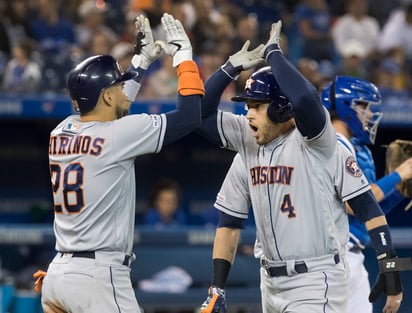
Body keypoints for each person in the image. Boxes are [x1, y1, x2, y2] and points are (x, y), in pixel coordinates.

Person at [196, 20, 403, 313]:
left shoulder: (318, 141)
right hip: (269, 280)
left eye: (257, 105)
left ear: (282, 108)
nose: (248, 113)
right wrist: (228, 69)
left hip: (316, 278)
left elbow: (368, 206)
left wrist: (274, 54)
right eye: (247, 105)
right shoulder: (248, 141)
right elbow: (199, 114)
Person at [34, 13, 205, 313]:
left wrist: (139, 64)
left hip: (59, 274)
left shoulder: (59, 132)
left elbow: (113, 110)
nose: (122, 89)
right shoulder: (118, 134)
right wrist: (185, 60)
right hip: (98, 277)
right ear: (107, 97)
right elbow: (190, 116)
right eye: (117, 86)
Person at [321, 75, 412, 313]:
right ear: (344, 106)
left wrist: (401, 192)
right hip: (332, 258)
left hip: (352, 257)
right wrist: (398, 175)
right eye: (364, 107)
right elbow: (354, 203)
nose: (370, 114)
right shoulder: (334, 144)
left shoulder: (355, 147)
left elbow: (369, 211)